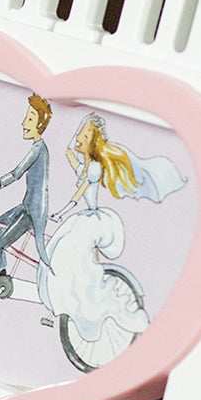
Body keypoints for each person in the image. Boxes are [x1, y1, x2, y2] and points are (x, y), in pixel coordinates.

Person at [38, 115, 185, 366]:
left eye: (85, 136)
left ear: (94, 142)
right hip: (85, 219)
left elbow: (79, 192)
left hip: (94, 221)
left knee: (66, 258)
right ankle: (69, 302)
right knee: (59, 255)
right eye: (81, 134)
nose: (80, 139)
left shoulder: (94, 168)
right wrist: (75, 138)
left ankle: (100, 307)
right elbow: (71, 157)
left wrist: (62, 212)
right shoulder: (86, 165)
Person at [0, 94, 52, 315]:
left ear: (39, 125)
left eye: (30, 119)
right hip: (27, 205)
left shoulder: (38, 149)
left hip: (32, 212)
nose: (24, 123)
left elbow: (17, 173)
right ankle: (2, 275)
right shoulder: (39, 147)